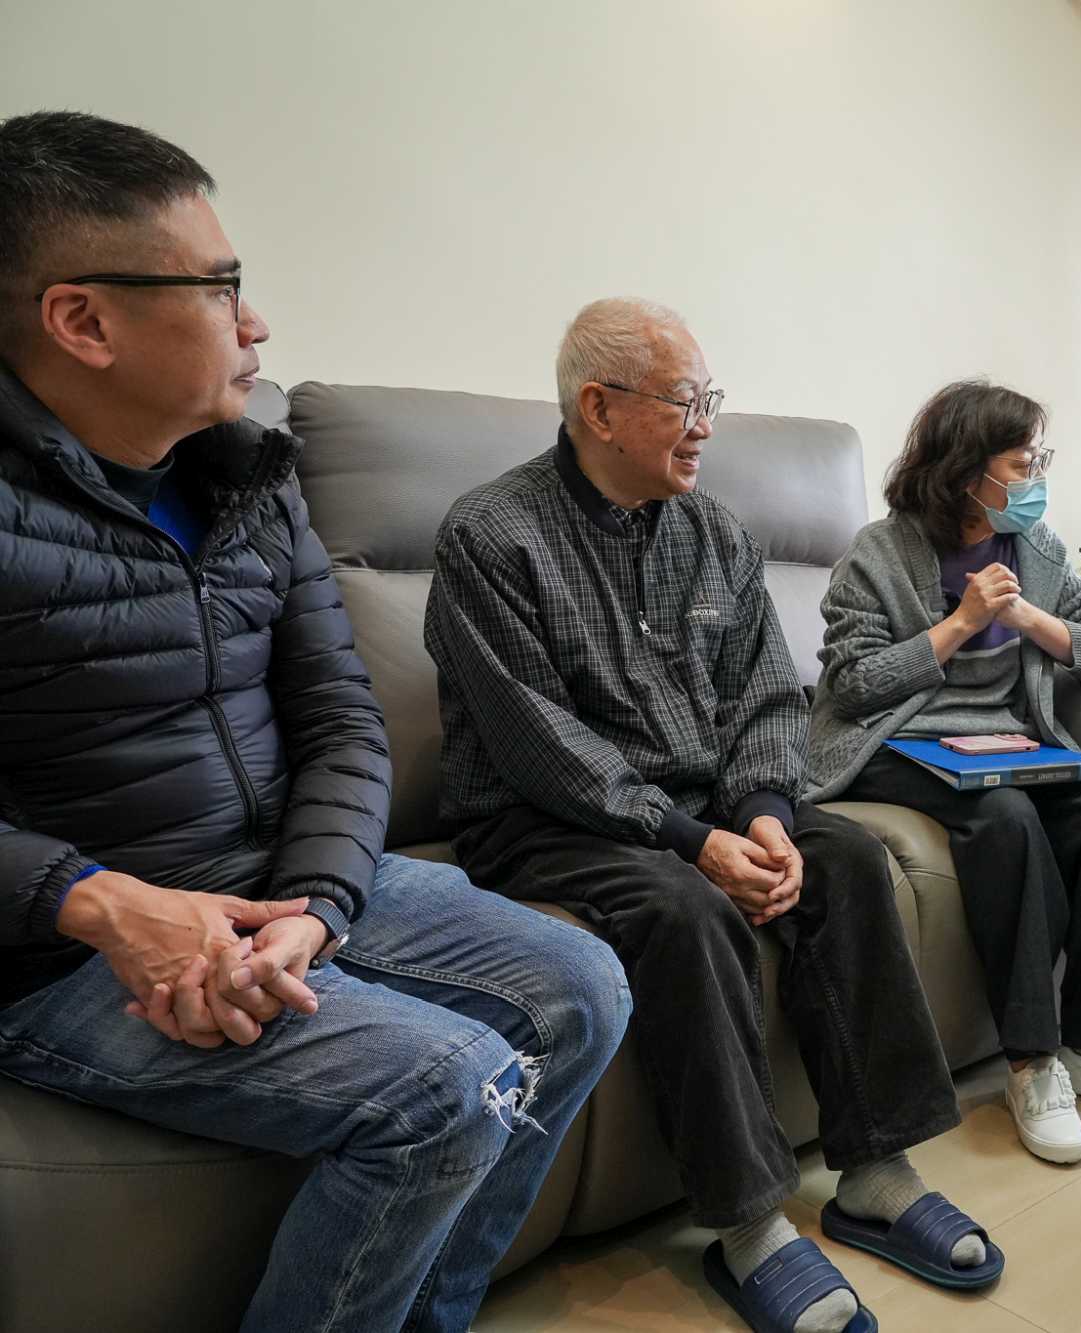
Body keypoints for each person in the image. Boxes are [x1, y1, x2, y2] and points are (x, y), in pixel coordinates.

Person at [0, 111, 630, 1333]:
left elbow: (341, 717)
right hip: (59, 952)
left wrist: (316, 908)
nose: (256, 324)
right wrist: (102, 903)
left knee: (583, 983)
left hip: (276, 884)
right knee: (447, 1084)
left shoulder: (247, 476)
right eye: (220, 288)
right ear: (82, 321)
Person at [425, 299, 1002, 1333]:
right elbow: (537, 742)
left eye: (709, 401)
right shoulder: (490, 535)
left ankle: (875, 1169)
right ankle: (748, 1223)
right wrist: (691, 842)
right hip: (543, 819)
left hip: (704, 805)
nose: (704, 426)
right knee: (683, 907)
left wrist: (767, 813)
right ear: (599, 408)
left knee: (847, 857)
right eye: (684, 402)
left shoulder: (714, 532)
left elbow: (767, 697)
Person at [805, 379, 1081, 1166]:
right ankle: (1032, 1063)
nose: (1036, 476)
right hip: (899, 742)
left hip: (1007, 744)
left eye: (1039, 459)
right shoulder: (878, 553)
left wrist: (1026, 617)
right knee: (1005, 818)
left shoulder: (1036, 548)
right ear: (967, 470)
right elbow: (853, 683)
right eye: (1023, 462)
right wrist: (961, 623)